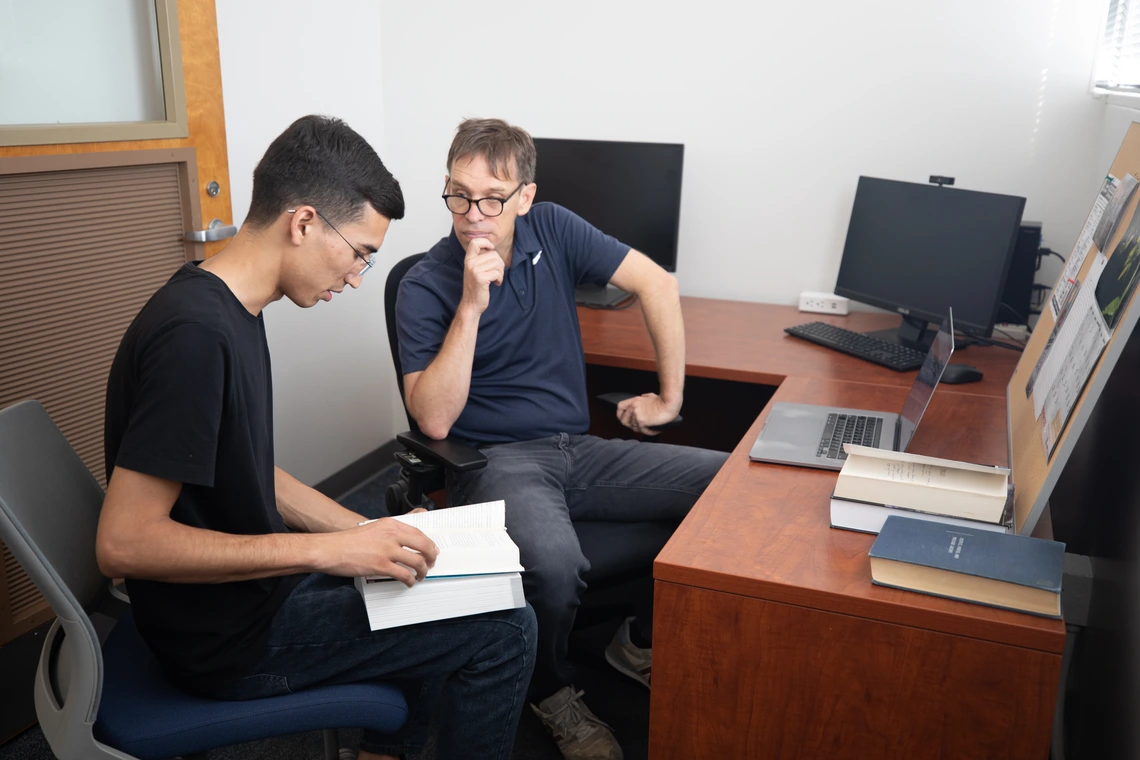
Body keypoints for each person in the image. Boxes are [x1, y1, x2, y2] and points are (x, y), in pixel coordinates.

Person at [96, 115, 536, 760]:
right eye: (359, 252)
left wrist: (357, 534)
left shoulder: (229, 307)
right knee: (506, 627)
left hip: (247, 600)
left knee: (423, 576)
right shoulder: (196, 337)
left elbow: (245, 469)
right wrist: (322, 554)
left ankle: (385, 748)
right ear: (303, 223)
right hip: (225, 642)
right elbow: (124, 544)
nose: (358, 277)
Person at [396, 118, 728, 760]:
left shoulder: (554, 228)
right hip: (492, 461)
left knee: (726, 487)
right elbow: (433, 422)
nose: (472, 216)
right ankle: (550, 690)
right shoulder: (427, 284)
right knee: (554, 565)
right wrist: (471, 303)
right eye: (458, 195)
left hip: (577, 450)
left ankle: (634, 639)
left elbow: (657, 283)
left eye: (492, 199)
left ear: (525, 197)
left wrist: (671, 399)